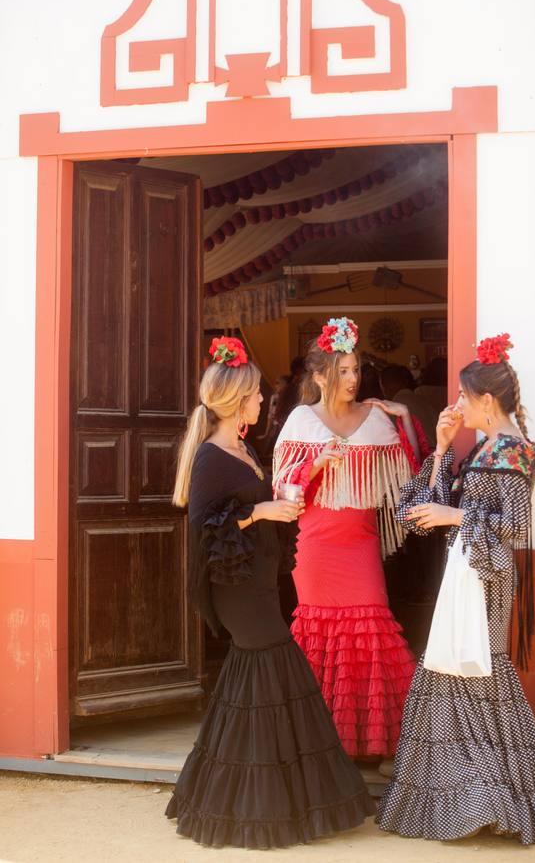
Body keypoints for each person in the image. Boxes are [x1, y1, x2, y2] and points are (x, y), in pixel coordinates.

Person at [166, 335, 375, 850]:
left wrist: (294, 490)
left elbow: (257, 504)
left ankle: (227, 793)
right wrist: (261, 511)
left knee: (252, 679)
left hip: (256, 583)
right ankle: (260, 802)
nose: (264, 401)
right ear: (239, 401)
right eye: (258, 396)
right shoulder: (214, 456)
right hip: (235, 590)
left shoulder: (241, 448)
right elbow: (204, 526)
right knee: (274, 665)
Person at [376, 333, 535, 845]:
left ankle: (489, 797)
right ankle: (471, 799)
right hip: (463, 572)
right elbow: (422, 514)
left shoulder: (514, 452)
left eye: (464, 396)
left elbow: (514, 525)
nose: (457, 404)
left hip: (486, 577)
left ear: (486, 401)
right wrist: (441, 449)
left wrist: (453, 514)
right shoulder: (483, 446)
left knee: (475, 674)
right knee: (454, 671)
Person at [272, 317, 418, 762]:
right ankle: (316, 743)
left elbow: (412, 475)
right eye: (345, 371)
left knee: (371, 631)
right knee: (318, 636)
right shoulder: (300, 420)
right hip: (315, 547)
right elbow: (280, 490)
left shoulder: (376, 417)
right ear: (319, 376)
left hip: (360, 544)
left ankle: (369, 745)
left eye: (357, 370)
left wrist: (406, 418)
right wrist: (315, 464)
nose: (354, 380)